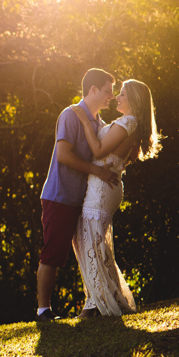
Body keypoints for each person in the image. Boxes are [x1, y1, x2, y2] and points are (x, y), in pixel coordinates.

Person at [71, 78, 161, 317]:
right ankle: (100, 298)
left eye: (122, 94)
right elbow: (119, 155)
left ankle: (96, 304)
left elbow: (99, 150)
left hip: (102, 188)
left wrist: (85, 122)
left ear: (134, 100)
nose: (117, 98)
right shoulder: (129, 124)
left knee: (91, 241)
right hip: (105, 184)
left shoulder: (128, 122)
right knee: (92, 241)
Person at [36, 69, 120, 322]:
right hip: (60, 196)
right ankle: (43, 311)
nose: (111, 96)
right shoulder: (70, 115)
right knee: (53, 253)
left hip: (81, 200)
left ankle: (96, 302)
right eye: (107, 91)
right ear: (92, 90)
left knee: (88, 252)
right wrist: (98, 171)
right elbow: (63, 155)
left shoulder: (98, 123)